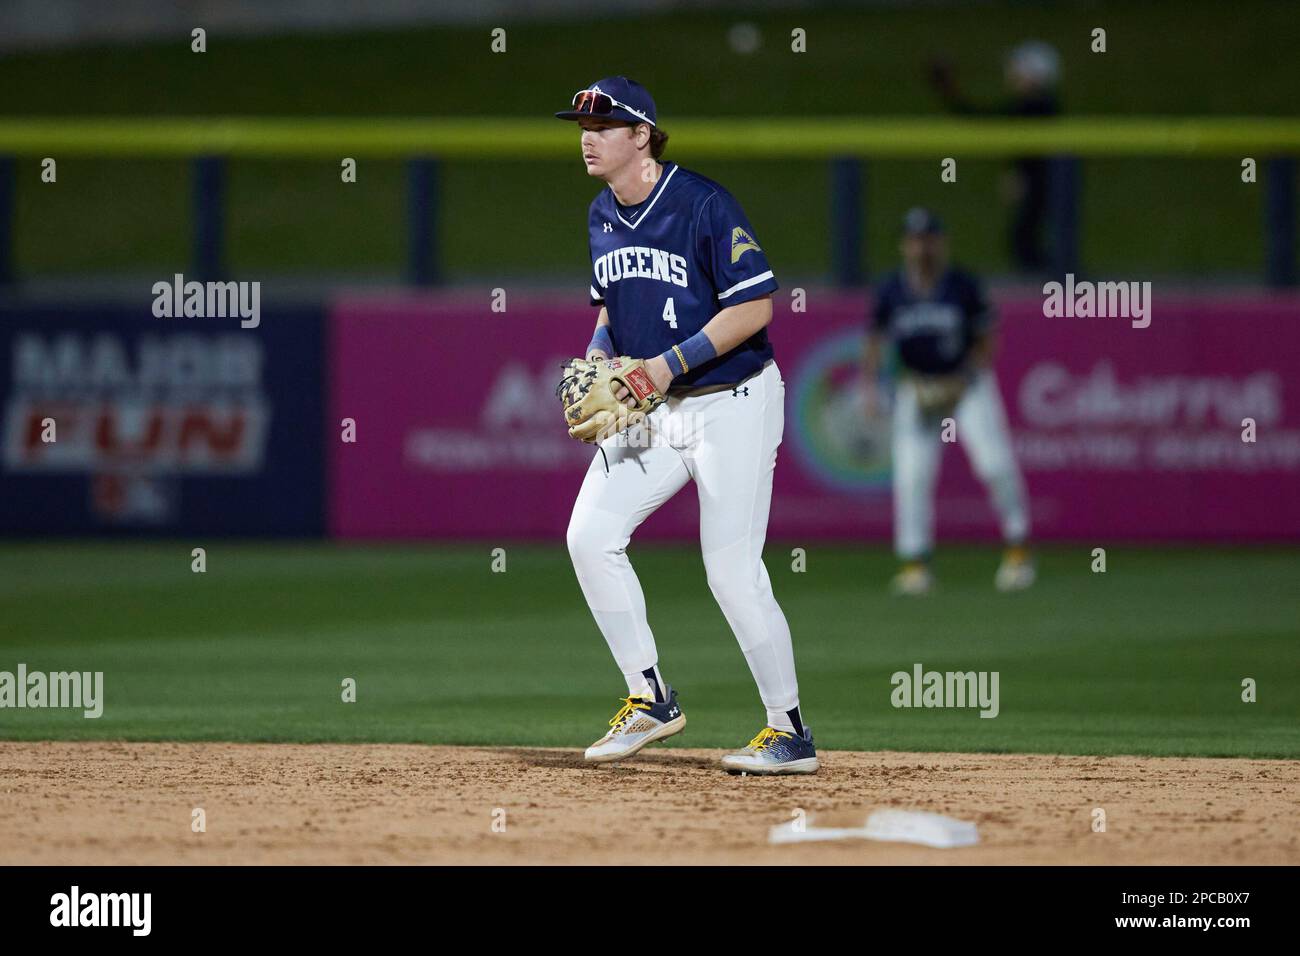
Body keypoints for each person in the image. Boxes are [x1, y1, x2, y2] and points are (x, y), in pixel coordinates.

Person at [555, 76, 817, 775]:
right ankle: (650, 698)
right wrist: (598, 363)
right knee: (590, 536)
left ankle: (788, 730)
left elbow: (755, 308)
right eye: (582, 126)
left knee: (730, 569)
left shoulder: (701, 203)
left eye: (604, 125)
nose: (587, 136)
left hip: (732, 400)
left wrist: (664, 367)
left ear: (641, 135)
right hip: (654, 409)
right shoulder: (601, 215)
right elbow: (610, 309)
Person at [862, 207, 1035, 595]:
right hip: (919, 389)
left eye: (929, 239)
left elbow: (988, 339)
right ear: (904, 246)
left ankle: (1018, 547)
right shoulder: (892, 289)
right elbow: (875, 340)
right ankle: (914, 563)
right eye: (914, 240)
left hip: (968, 386)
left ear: (942, 243)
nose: (922, 247)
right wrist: (870, 386)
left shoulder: (963, 285)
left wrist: (964, 378)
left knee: (994, 465)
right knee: (911, 477)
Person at [929, 40, 1062, 273]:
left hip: (1045, 183)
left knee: (1026, 242)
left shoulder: (1035, 107)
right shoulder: (1038, 105)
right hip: (1045, 182)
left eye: (1018, 70)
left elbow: (980, 120)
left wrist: (946, 87)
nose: (1011, 74)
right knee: (1028, 240)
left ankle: (1054, 293)